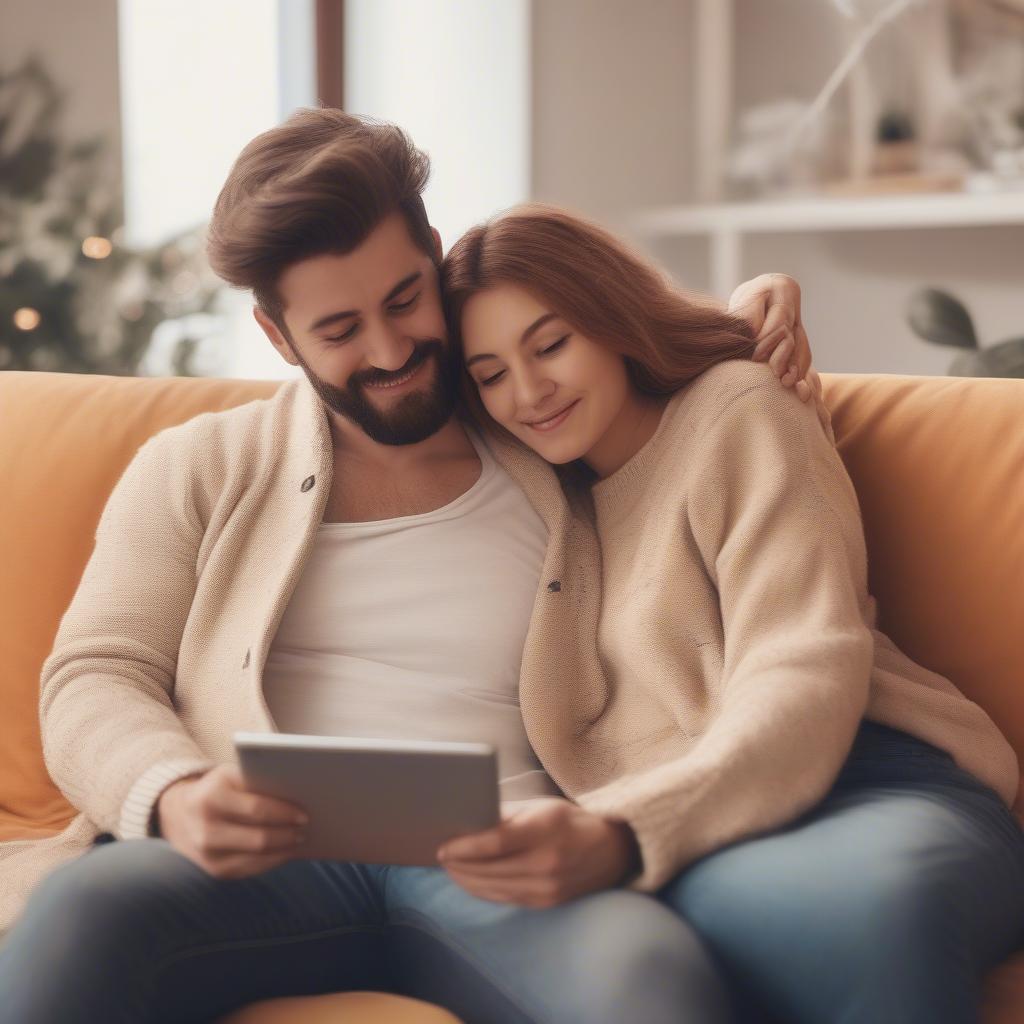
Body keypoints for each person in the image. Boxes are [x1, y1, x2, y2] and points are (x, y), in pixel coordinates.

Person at [0, 107, 823, 1024]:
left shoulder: (538, 422)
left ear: (434, 255)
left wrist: (756, 297)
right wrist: (175, 793)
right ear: (280, 337)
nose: (390, 353)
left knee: (650, 983)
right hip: (256, 866)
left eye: (403, 300)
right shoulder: (197, 465)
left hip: (497, 853)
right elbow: (93, 673)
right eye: (341, 330)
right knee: (78, 922)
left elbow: (640, 360)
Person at [437, 202, 1024, 1023]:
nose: (529, 392)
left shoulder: (737, 409)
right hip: (701, 832)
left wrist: (629, 829)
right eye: (490, 374)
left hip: (871, 777)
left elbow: (805, 661)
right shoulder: (530, 495)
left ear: (609, 319)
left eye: (551, 344)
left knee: (871, 912)